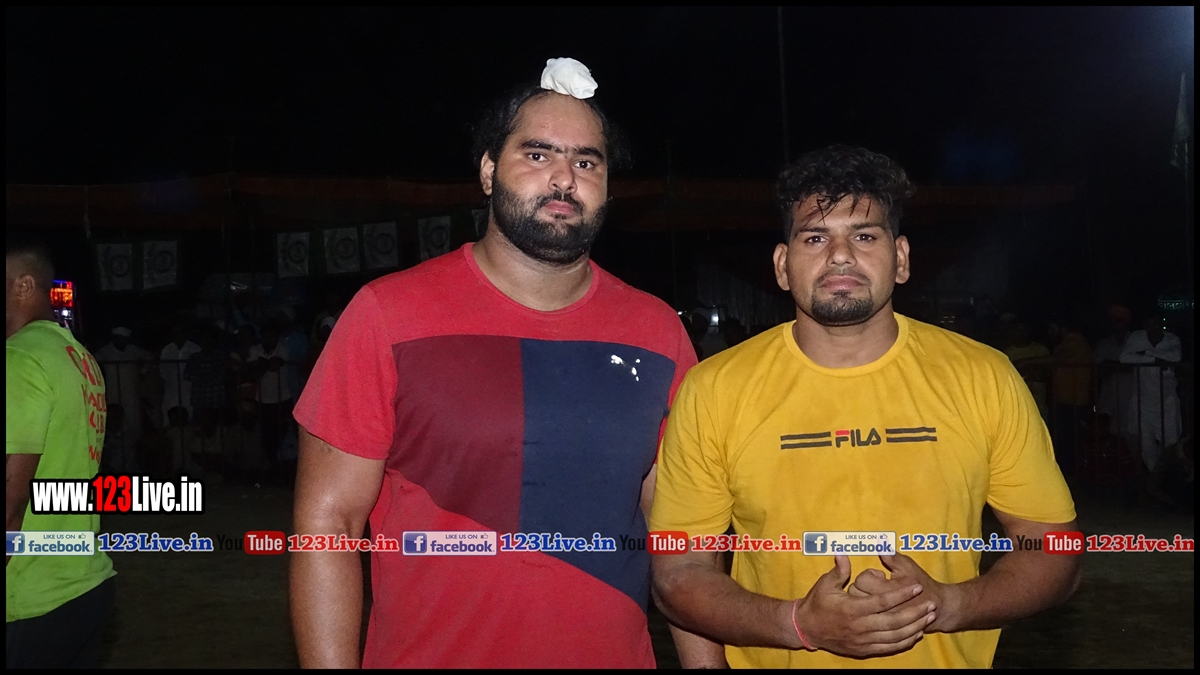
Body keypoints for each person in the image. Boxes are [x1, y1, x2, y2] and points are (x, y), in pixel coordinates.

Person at [290, 58, 695, 668]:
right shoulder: (387, 314)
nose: (564, 178)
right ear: (487, 171)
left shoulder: (658, 332)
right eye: (537, 154)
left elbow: (677, 536)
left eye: (587, 162)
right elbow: (329, 523)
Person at [650, 146, 1080, 668]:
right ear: (782, 266)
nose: (840, 256)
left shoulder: (983, 376)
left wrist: (949, 605)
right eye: (815, 237)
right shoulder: (715, 389)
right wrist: (799, 623)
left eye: (865, 236)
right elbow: (679, 571)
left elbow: (1053, 548)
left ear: (901, 259)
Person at [6, 238, 115, 668]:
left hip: (29, 592)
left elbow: (10, 500)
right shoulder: (78, 357)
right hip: (82, 579)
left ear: (23, 286)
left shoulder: (19, 358)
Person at [1119, 312, 1182, 474]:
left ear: (1161, 324)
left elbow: (1176, 356)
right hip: (1143, 403)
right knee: (1146, 445)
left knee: (1170, 443)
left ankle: (1167, 477)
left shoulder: (1172, 339)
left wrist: (1145, 353)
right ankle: (1155, 479)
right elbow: (1124, 358)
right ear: (1144, 325)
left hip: (1167, 402)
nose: (1153, 328)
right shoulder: (1136, 337)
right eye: (1149, 324)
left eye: (1156, 324)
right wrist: (1154, 360)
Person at [94, 326, 153, 471]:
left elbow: (149, 357)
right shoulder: (105, 351)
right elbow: (93, 360)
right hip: (113, 393)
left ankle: (132, 459)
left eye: (124, 339)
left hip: (131, 393)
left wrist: (143, 371)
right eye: (119, 339)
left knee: (133, 422)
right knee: (113, 423)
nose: (122, 341)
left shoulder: (133, 350)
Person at [1047, 316, 1092, 476]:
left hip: (1071, 401)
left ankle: (1068, 477)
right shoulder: (1066, 342)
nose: (1049, 332)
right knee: (1065, 442)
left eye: (1052, 328)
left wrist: (1027, 362)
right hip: (1066, 400)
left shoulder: (1074, 341)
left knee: (1067, 443)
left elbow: (1057, 359)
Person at [250, 323, 291, 481]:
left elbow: (274, 366)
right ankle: (271, 470)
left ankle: (280, 470)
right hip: (263, 399)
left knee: (281, 435)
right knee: (266, 437)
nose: (268, 339)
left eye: (271, 336)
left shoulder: (283, 348)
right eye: (266, 336)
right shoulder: (256, 349)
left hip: (282, 398)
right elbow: (255, 372)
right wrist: (266, 364)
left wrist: (262, 364)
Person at [159, 321, 201, 425]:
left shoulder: (194, 348)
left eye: (180, 332)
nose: (178, 335)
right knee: (169, 413)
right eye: (175, 333)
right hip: (171, 388)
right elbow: (162, 368)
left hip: (189, 388)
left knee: (188, 413)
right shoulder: (167, 349)